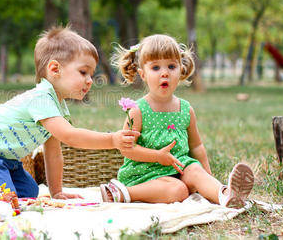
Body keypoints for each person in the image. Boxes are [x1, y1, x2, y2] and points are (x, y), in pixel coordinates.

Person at [0, 26, 139, 204]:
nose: (90, 80)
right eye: (83, 72)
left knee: (29, 193)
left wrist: (57, 191)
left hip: (3, 160)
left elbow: (54, 154)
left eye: (92, 74)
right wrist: (111, 139)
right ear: (54, 69)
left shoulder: (57, 107)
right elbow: (70, 136)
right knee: (2, 198)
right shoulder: (41, 98)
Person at [100, 34, 254, 208]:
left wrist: (207, 177)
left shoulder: (186, 109)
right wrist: (158, 157)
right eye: (156, 67)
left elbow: (196, 146)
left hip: (180, 169)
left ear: (181, 70)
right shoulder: (138, 110)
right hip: (147, 174)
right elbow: (127, 149)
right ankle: (121, 193)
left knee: (196, 171)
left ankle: (225, 195)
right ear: (143, 74)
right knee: (178, 190)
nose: (165, 73)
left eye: (171, 66)